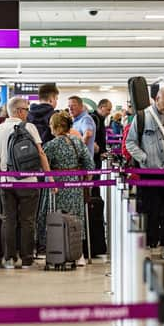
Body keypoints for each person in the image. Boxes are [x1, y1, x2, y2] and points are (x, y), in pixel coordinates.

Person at [0, 97, 53, 269]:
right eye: (26, 109)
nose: (27, 112)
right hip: (28, 181)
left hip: (6, 181)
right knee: (28, 220)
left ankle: (9, 258)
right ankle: (26, 259)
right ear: (18, 110)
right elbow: (40, 153)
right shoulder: (29, 127)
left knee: (8, 220)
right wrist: (49, 177)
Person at [125, 86, 164, 259]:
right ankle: (149, 244)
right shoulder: (141, 117)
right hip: (149, 173)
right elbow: (130, 143)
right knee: (149, 210)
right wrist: (144, 157)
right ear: (156, 98)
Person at [37, 112, 95, 264]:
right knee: (76, 218)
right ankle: (78, 255)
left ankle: (55, 250)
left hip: (56, 186)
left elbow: (42, 166)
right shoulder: (77, 142)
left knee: (54, 216)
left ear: (56, 127)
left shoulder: (51, 145)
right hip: (75, 185)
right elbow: (90, 165)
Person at [90, 99, 112, 170]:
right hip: (93, 158)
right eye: (108, 110)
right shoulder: (93, 119)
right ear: (102, 107)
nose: (109, 112)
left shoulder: (100, 119)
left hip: (97, 157)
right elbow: (90, 139)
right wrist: (99, 151)